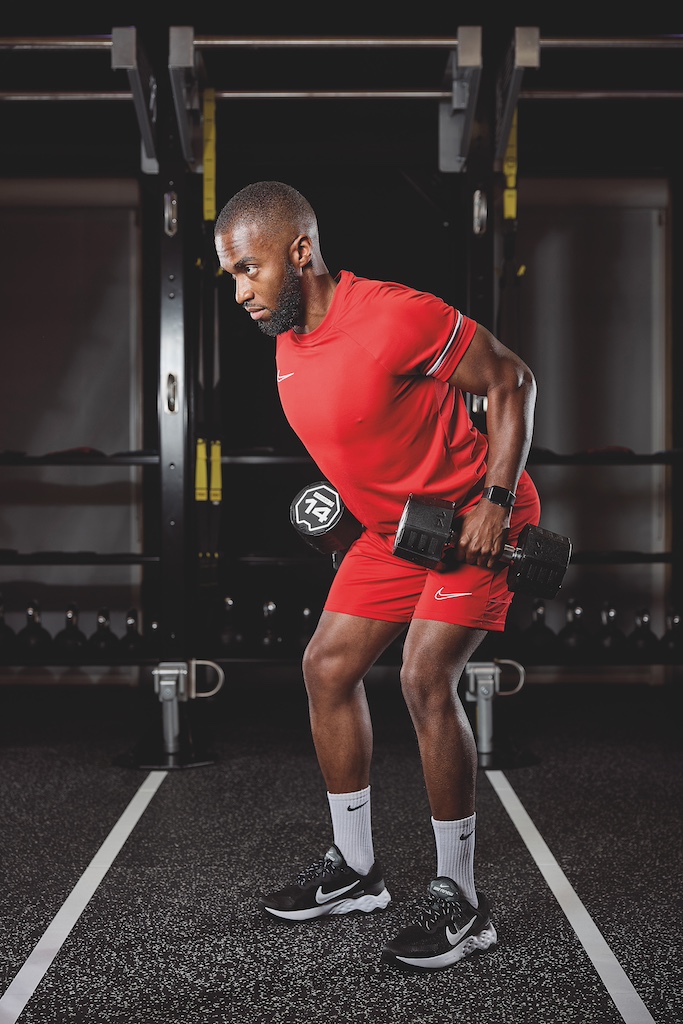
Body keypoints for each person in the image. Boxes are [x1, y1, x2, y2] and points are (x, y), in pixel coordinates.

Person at [214, 180, 540, 972]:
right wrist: (345, 519)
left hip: (473, 521)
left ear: (300, 251)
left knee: (425, 679)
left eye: (248, 269)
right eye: (229, 277)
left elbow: (511, 381)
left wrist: (495, 501)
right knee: (326, 667)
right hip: (395, 534)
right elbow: (366, 445)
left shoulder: (392, 315)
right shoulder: (289, 341)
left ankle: (462, 900)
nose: (240, 291)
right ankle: (356, 870)